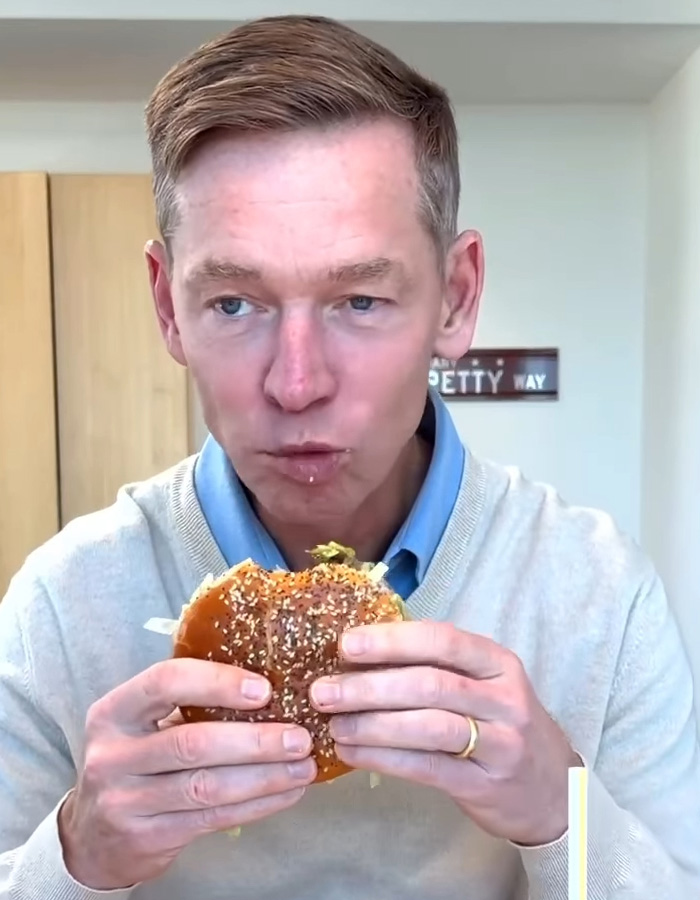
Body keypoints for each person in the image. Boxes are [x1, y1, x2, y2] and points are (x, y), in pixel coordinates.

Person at [1, 14, 699, 900]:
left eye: (361, 299)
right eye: (233, 304)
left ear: (457, 295)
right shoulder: (63, 604)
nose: (297, 384)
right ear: (167, 308)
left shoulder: (598, 595)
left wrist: (564, 813)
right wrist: (74, 856)